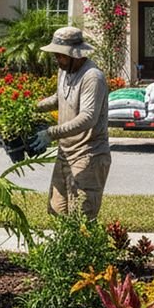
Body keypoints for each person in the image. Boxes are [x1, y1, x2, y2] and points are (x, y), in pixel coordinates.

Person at [29, 26, 110, 220]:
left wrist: (51, 133)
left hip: (88, 155)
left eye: (61, 55)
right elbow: (59, 99)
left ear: (76, 55)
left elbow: (88, 117)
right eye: (56, 55)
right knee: (58, 211)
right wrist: (32, 108)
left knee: (81, 217)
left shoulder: (92, 77)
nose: (57, 59)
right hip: (65, 153)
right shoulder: (64, 71)